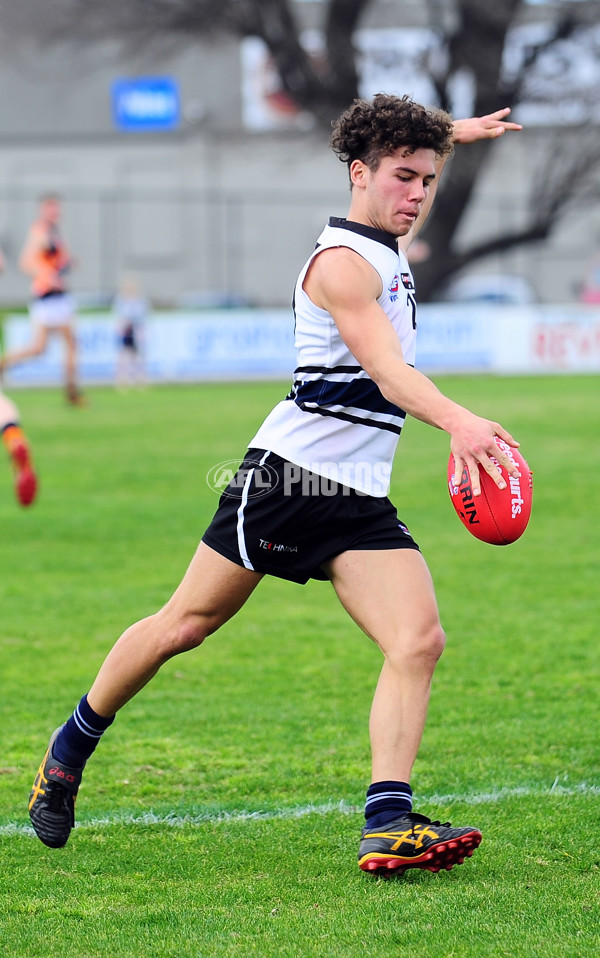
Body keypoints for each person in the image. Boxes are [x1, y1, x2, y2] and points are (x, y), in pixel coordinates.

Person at [28, 95, 522, 874]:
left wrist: (450, 134)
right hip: (292, 481)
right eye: (403, 177)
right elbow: (390, 373)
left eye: (427, 178)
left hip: (356, 495)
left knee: (418, 640)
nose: (418, 194)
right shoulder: (340, 266)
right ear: (359, 175)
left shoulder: (389, 241)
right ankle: (69, 747)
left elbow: (405, 167)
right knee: (183, 625)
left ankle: (387, 822)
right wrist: (461, 423)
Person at [0, 194, 85, 406]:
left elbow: (58, 262)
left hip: (60, 297)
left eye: (57, 209)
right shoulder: (39, 232)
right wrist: (47, 276)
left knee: (70, 344)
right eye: (51, 209)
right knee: (38, 348)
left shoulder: (57, 234)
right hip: (47, 297)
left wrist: (68, 265)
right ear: (43, 210)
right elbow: (25, 262)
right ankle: (3, 363)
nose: (55, 213)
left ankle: (72, 392)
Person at [113, 273, 149, 390]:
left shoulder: (140, 300)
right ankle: (123, 379)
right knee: (124, 355)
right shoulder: (121, 300)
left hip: (136, 329)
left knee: (138, 355)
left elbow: (143, 315)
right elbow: (119, 316)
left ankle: (139, 378)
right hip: (126, 331)